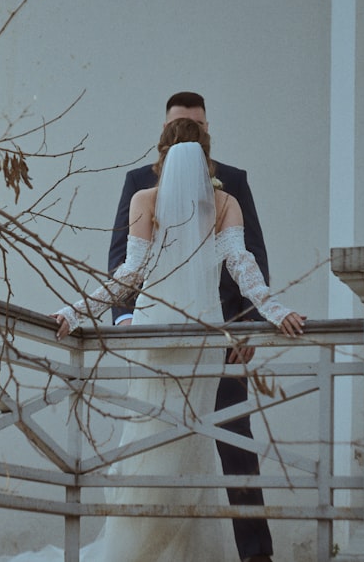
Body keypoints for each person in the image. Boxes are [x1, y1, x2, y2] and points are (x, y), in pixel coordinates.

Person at [20, 118, 304, 562]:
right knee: (193, 447)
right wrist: (275, 310)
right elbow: (242, 266)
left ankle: (143, 549)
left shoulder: (144, 199)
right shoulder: (225, 201)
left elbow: (128, 273)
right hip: (204, 337)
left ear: (160, 155)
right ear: (208, 156)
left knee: (151, 442)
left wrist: (77, 311)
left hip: (156, 334)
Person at [108, 92, 276, 562]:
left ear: (208, 129)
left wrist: (248, 325)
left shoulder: (232, 182)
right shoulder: (139, 184)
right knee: (152, 444)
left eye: (198, 125)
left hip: (220, 336)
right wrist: (125, 318)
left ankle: (256, 555)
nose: (190, 132)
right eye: (182, 124)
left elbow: (250, 255)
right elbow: (122, 256)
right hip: (156, 337)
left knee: (233, 440)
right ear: (164, 130)